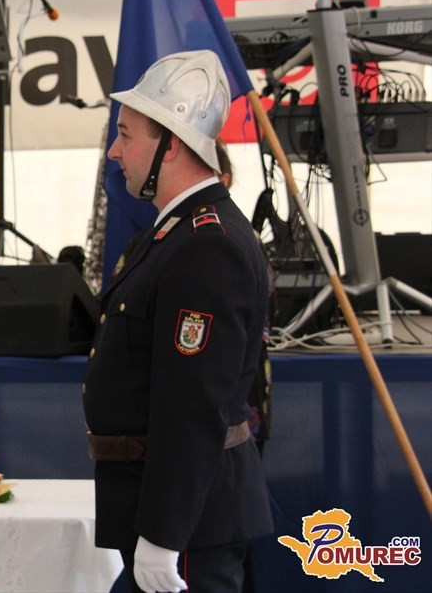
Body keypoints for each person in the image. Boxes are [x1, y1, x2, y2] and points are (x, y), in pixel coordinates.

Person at [82, 50, 273, 593]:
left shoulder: (206, 245)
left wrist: (165, 534)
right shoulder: (173, 235)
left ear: (170, 143)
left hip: (189, 526)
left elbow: (193, 404)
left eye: (125, 135)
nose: (114, 151)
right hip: (167, 510)